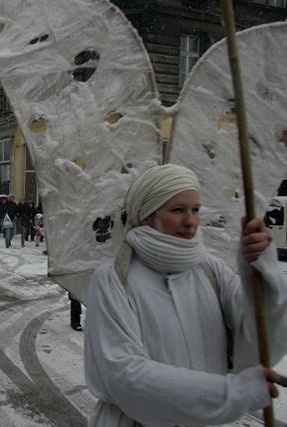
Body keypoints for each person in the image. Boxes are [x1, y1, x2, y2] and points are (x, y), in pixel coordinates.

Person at [84, 163, 287, 426]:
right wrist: (231, 393)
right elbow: (124, 376)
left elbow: (262, 341)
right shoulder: (113, 279)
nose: (190, 221)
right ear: (146, 215)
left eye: (195, 210)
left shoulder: (211, 270)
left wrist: (260, 270)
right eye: (177, 210)